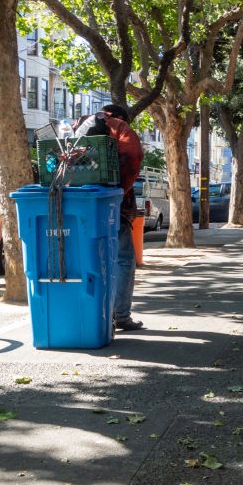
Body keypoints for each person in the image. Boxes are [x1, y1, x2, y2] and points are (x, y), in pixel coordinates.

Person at [97, 104, 145, 330]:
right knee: (124, 260)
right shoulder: (118, 126)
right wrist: (121, 191)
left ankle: (95, 314)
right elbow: (132, 155)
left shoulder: (78, 126)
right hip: (113, 206)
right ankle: (121, 315)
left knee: (91, 258)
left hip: (80, 204)